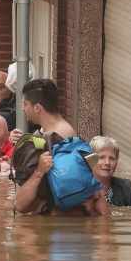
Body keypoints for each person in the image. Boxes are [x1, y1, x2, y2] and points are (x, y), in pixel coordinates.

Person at [11, 79, 108, 216]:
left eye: (25, 104)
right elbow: (95, 167)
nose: (22, 108)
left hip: (60, 222)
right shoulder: (50, 133)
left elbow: (21, 205)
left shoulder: (60, 137)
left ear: (37, 108)